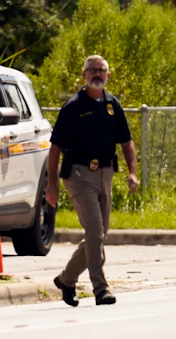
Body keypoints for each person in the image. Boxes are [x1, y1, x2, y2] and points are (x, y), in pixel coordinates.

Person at [45, 55, 139, 307]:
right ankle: (100, 288)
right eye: (92, 70)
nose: (97, 74)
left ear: (108, 75)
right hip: (78, 175)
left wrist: (132, 172)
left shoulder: (113, 105)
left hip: (106, 174)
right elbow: (55, 148)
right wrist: (52, 184)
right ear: (84, 74)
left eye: (101, 71)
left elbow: (126, 142)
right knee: (96, 231)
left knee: (98, 235)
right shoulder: (73, 106)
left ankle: (66, 279)